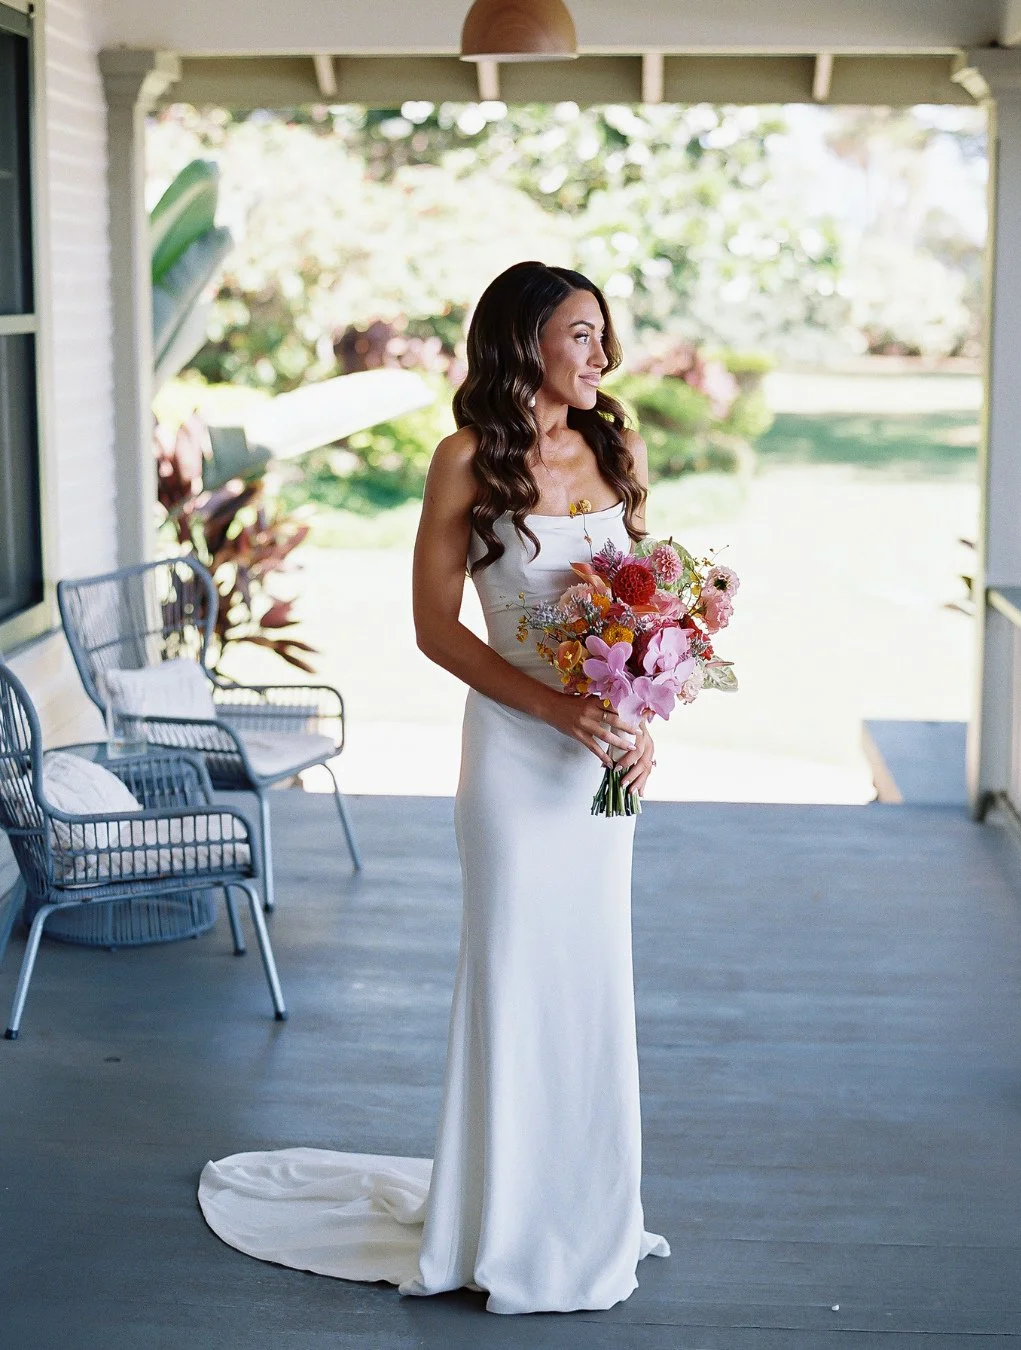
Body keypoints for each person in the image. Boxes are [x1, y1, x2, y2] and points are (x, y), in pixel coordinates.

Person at [197, 261, 670, 1315]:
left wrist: (639, 724)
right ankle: (499, 1221)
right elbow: (434, 628)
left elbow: (640, 620)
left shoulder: (616, 447)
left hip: (600, 766)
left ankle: (585, 1211)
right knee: (513, 976)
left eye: (603, 334)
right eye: (581, 335)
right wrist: (553, 710)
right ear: (523, 343)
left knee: (591, 982)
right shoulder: (465, 460)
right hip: (515, 757)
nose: (603, 355)